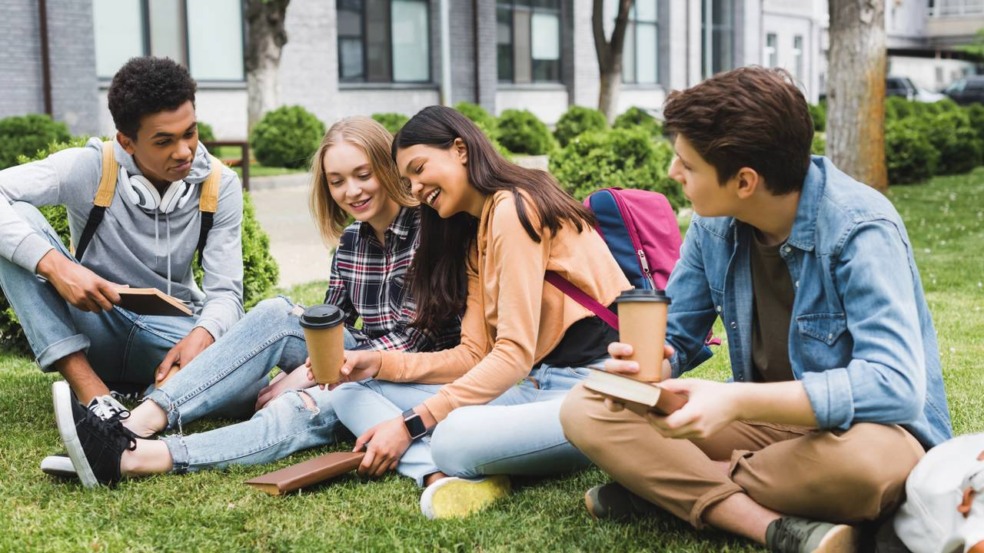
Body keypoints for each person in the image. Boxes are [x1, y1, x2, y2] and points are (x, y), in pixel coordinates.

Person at [558, 66, 952, 553]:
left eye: (688, 164)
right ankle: (762, 522)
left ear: (744, 181)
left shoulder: (860, 228)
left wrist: (736, 402)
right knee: (587, 407)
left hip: (866, 434)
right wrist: (650, 368)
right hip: (768, 433)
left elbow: (895, 386)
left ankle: (668, 490)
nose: (672, 173)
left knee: (870, 470)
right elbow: (679, 340)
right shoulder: (713, 227)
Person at [51, 116, 459, 488]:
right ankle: (135, 423)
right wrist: (314, 363)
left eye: (363, 175)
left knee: (302, 406)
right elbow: (328, 321)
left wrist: (311, 375)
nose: (351, 191)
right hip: (358, 360)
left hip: (417, 376)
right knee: (277, 312)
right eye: (337, 181)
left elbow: (418, 340)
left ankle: (135, 458)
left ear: (386, 169)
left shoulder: (432, 230)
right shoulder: (352, 240)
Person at [328, 105, 631, 519]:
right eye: (407, 181)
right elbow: (473, 354)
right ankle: (437, 475)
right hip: (535, 388)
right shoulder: (476, 235)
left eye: (419, 169)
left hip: (592, 394)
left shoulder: (515, 208)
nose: (415, 189)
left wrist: (411, 423)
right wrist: (378, 363)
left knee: (452, 435)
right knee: (350, 393)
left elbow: (512, 354)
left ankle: (442, 460)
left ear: (460, 149)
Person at [0, 57, 244, 406]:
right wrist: (58, 267)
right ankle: (92, 394)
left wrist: (203, 336)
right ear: (127, 142)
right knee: (16, 221)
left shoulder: (221, 185)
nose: (184, 151)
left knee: (249, 387)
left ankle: (152, 397)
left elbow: (226, 294)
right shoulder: (89, 167)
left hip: (170, 334)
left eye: (190, 133)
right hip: (92, 323)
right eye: (163, 141)